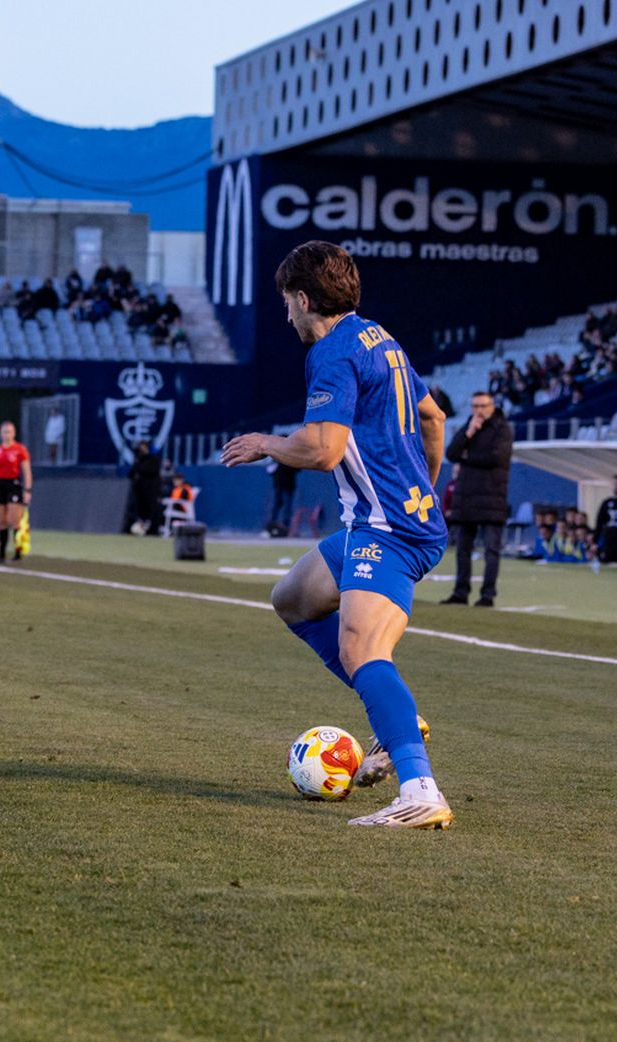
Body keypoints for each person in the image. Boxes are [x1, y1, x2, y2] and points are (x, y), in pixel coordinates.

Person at [222, 240, 451, 830]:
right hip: (387, 521)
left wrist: (267, 443)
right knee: (292, 598)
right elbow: (434, 418)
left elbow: (323, 451)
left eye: (287, 306)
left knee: (361, 650)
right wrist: (421, 488)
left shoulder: (332, 352)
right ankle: (392, 713)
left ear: (302, 299)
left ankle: (420, 789)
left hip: (389, 529)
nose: (286, 317)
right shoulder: (381, 338)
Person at [441, 392, 513, 607]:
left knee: (491, 549)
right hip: (467, 497)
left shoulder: (502, 428)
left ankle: (487, 596)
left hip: (492, 497)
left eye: (483, 405)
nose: (479, 410)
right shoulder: (469, 426)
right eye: (475, 406)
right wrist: (469, 433)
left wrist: (467, 458)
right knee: (463, 549)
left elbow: (496, 458)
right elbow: (451, 453)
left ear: (492, 406)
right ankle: (460, 593)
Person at [0, 420, 32, 562]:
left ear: (14, 433)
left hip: (14, 485)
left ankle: (18, 551)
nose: (7, 434)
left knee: (14, 520)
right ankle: (1, 553)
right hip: (0, 485)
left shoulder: (20, 449)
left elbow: (26, 471)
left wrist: (28, 490)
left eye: (9, 431)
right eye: (5, 432)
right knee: (1, 521)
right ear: (1, 433)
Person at [125, 440, 163, 535]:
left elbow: (150, 471)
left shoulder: (153, 459)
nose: (141, 449)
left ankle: (151, 530)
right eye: (140, 447)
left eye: (143, 447)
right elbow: (132, 474)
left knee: (151, 510)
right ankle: (138, 528)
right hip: (139, 490)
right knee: (139, 510)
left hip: (151, 490)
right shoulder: (138, 459)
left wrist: (139, 465)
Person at [595, 475, 617, 564]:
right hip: (609, 538)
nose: (616, 486)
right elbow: (599, 522)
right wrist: (595, 540)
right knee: (606, 560)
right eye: (614, 484)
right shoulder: (606, 503)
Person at [266, 459, 297, 536]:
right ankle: (270, 528)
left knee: (287, 507)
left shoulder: (292, 456)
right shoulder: (276, 457)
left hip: (288, 484)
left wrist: (288, 464)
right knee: (275, 505)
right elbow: (270, 470)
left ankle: (285, 528)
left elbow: (298, 468)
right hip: (278, 484)